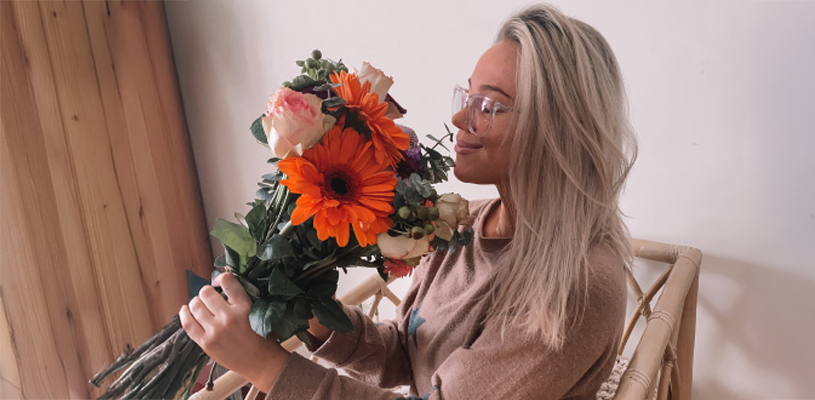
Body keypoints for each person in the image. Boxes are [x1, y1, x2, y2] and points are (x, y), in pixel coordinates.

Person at [179, 4, 637, 399]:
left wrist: (266, 368)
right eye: (468, 95)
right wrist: (311, 315)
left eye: (488, 105)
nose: (459, 116)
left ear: (556, 128)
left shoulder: (576, 286)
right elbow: (408, 352)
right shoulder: (470, 222)